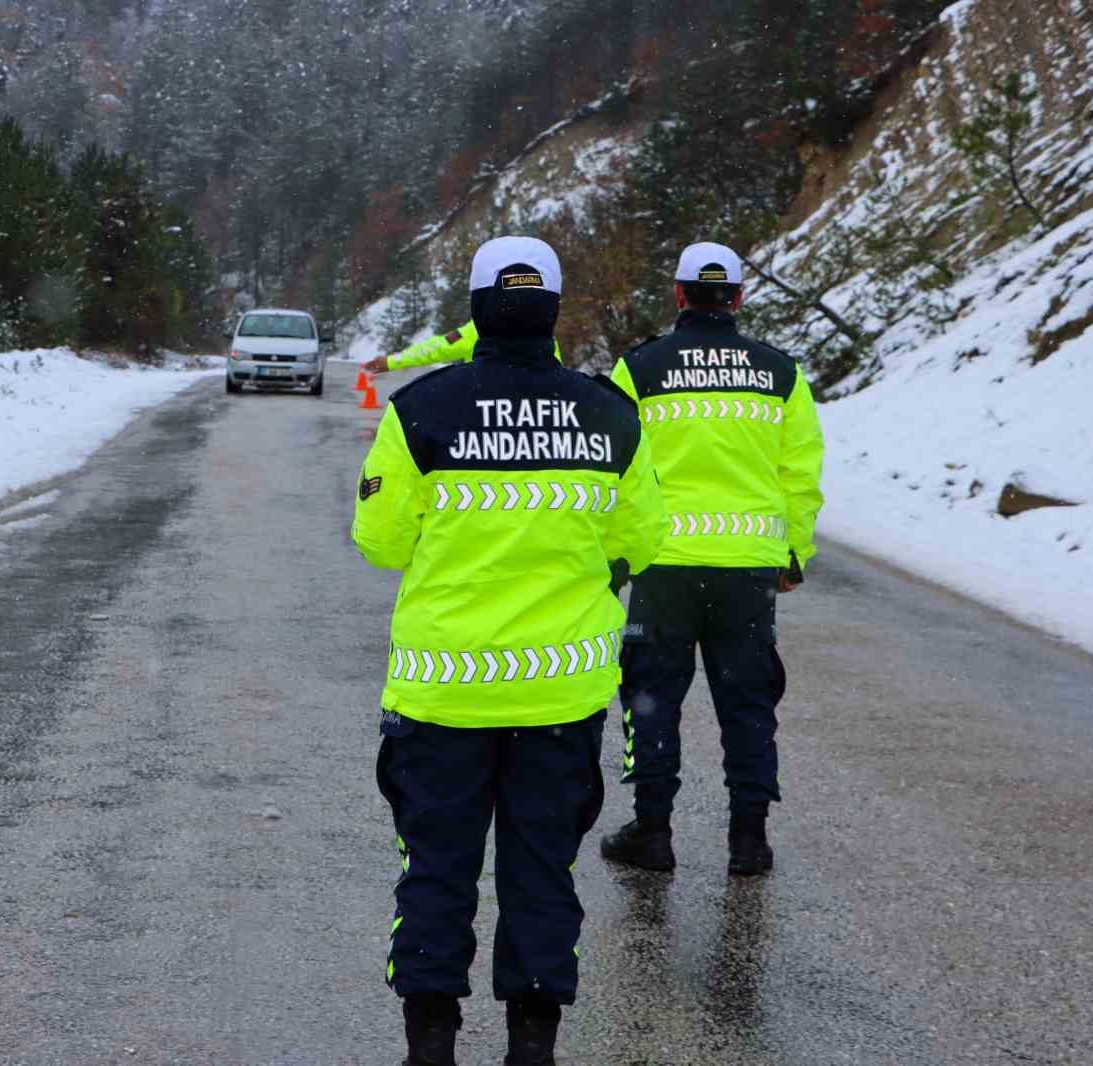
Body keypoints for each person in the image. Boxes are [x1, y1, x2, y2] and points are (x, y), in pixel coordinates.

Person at [353, 236, 668, 1065]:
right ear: (554, 311)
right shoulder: (608, 413)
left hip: (441, 699)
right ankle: (532, 1046)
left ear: (475, 308)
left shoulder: (420, 410)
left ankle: (431, 1046)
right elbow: (644, 535)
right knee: (541, 874)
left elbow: (380, 542)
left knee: (437, 872)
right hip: (560, 702)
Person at [599, 241, 825, 877]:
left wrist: (618, 560)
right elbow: (799, 475)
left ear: (678, 294)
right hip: (747, 572)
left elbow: (616, 470)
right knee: (747, 705)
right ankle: (748, 842)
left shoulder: (640, 369)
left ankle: (653, 832)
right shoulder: (780, 374)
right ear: (739, 297)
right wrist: (793, 555)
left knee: (651, 699)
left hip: (663, 568)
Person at [361, 320, 560, 375]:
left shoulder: (479, 329)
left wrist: (393, 361)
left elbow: (437, 348)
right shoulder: (545, 336)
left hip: (482, 423)